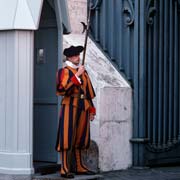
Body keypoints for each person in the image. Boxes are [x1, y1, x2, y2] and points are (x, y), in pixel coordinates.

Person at [56, 45, 96, 178]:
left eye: (78, 55)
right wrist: (77, 75)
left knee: (81, 136)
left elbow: (88, 93)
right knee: (67, 136)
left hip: (83, 106)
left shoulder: (83, 72)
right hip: (69, 106)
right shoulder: (64, 71)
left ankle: (79, 166)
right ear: (69, 57)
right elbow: (62, 89)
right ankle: (64, 169)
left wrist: (91, 109)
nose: (78, 58)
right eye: (75, 56)